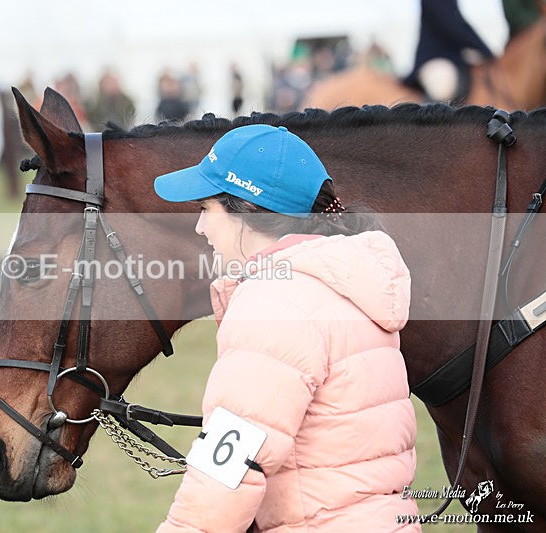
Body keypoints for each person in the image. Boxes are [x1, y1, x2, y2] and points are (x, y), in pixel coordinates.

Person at [152, 124, 419, 532]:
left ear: (247, 211)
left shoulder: (274, 302)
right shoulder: (345, 283)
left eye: (206, 209)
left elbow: (226, 473)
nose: (200, 228)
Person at [403, 0, 493, 102]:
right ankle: (429, 117)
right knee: (443, 88)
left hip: (458, 59)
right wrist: (487, 52)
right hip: (435, 58)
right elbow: (451, 24)